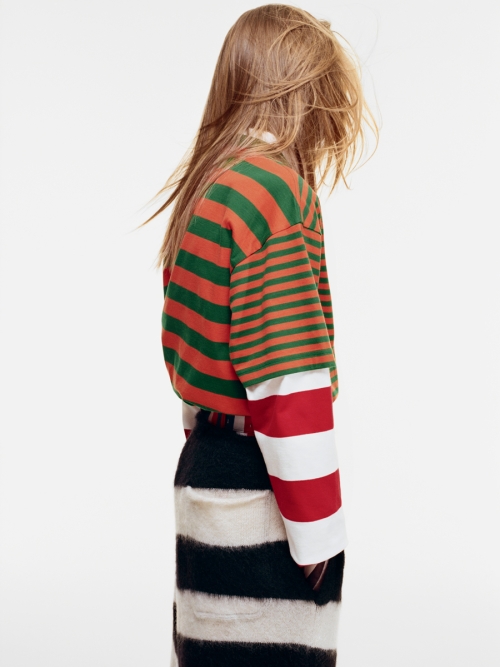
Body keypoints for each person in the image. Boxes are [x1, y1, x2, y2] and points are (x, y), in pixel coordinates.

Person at [141, 5, 378, 665]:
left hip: (205, 472)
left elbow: (192, 349)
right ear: (305, 92)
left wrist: (210, 452)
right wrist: (316, 529)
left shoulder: (207, 185)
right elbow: (286, 375)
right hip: (262, 490)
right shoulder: (272, 192)